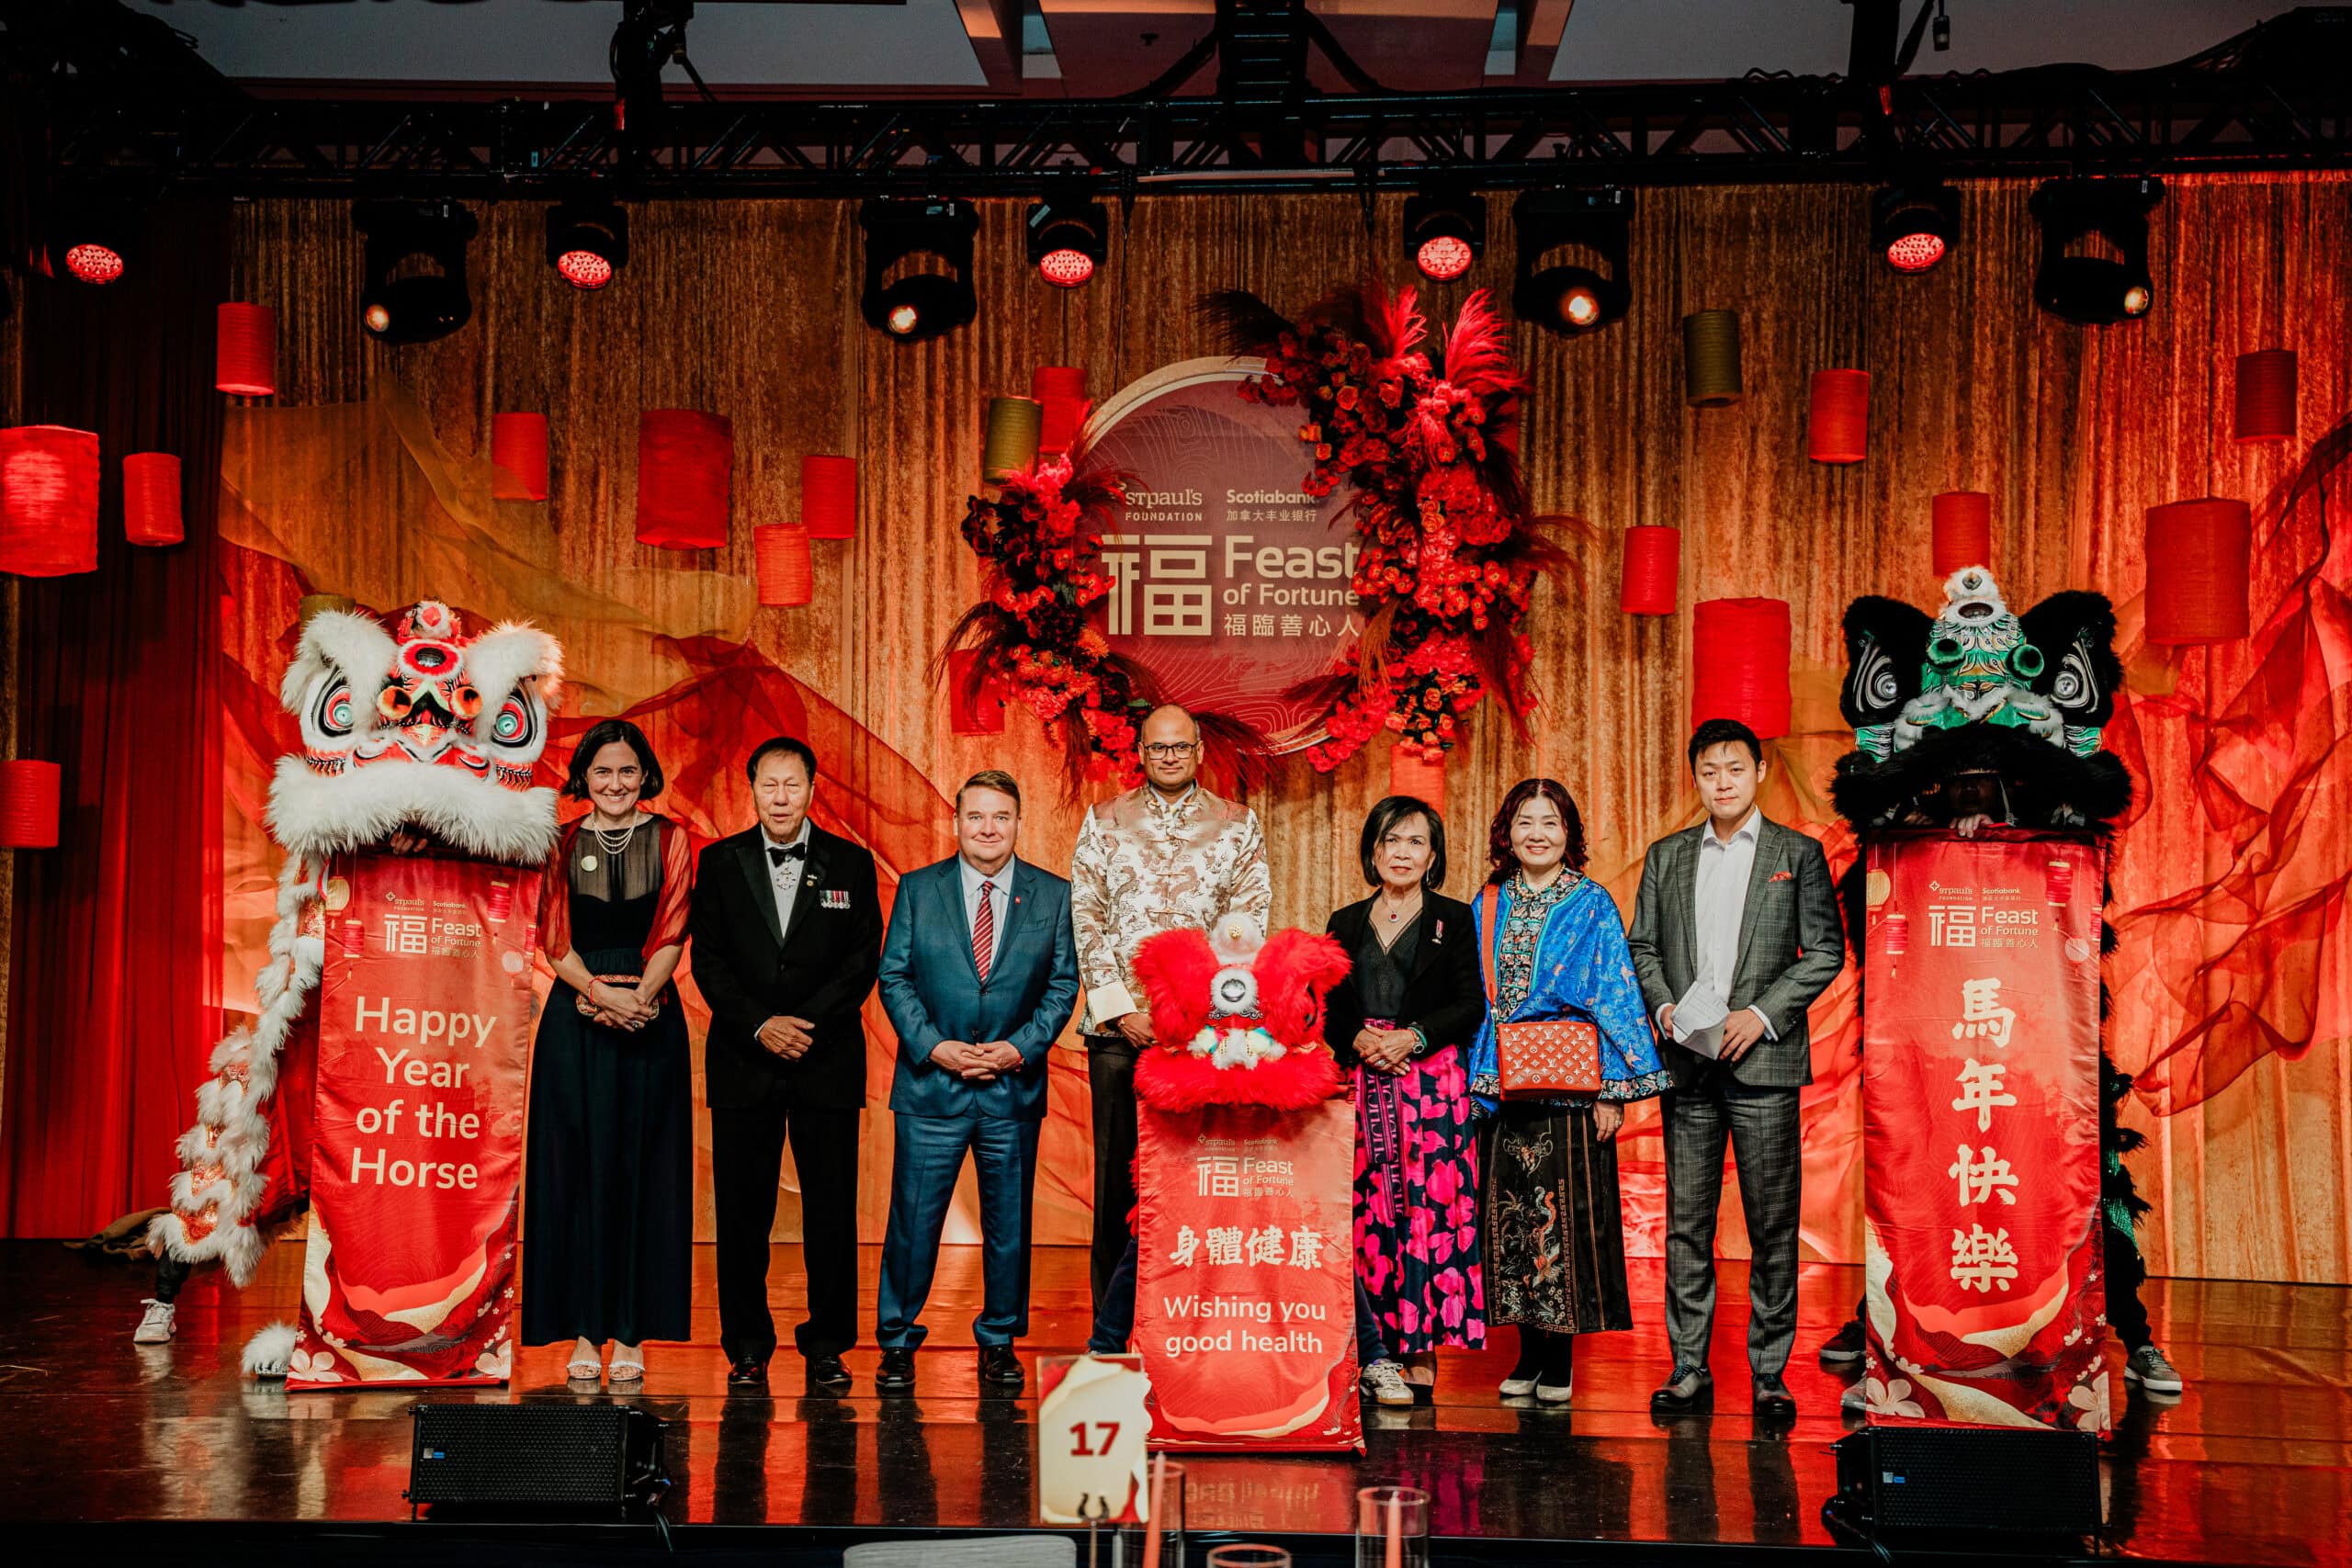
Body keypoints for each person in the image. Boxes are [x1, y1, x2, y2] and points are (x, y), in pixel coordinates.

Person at [1627, 717, 1845, 1418]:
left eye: (1734, 768)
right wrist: (1664, 1008)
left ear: (1759, 772)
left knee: (1772, 1226)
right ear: (1695, 778)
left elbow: (1825, 949)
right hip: (1689, 1065)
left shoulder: (1797, 853)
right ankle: (1688, 1366)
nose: (1721, 782)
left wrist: (1763, 1014)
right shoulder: (1667, 856)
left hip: (1765, 1064)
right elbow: (1643, 947)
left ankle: (1770, 1373)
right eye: (1709, 770)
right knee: (1686, 1225)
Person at [873, 770, 1080, 1396]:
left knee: (1008, 1225)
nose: (988, 829)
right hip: (930, 1087)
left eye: (1001, 817)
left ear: (1018, 823)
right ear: (957, 821)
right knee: (913, 1222)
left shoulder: (1054, 894)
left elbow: (1062, 984)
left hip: (1010, 1088)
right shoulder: (918, 888)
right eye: (976, 816)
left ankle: (998, 1339)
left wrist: (1018, 1050)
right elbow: (894, 976)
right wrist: (935, 1046)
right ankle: (897, 1340)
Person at [688, 736, 882, 1394]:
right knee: (742, 1215)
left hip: (826, 1060)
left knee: (832, 1212)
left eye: (791, 784)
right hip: (744, 1060)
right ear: (751, 789)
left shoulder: (851, 863)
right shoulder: (719, 862)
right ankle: (746, 1345)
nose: (780, 797)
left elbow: (862, 959)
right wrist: (760, 1025)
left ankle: (828, 1345)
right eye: (768, 784)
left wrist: (804, 1026)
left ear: (811, 789)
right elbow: (708, 960)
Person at [1468, 778, 1668, 1404]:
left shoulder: (1591, 902)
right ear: (1507, 832)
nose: (1537, 834)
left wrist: (1612, 1089)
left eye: (1549, 822)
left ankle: (1558, 1359)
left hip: (1572, 1085)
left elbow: (1615, 992)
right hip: (1502, 1081)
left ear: (1568, 834)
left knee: (1564, 1221)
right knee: (1510, 1221)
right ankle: (1526, 1353)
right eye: (1525, 821)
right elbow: (1472, 992)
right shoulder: (1488, 901)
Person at [1068, 704, 1271, 1314]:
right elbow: (1086, 915)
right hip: (1117, 1032)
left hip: (1201, 1036)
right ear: (1140, 752)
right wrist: (1120, 1010)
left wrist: (1196, 1015)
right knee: (1116, 1178)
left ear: (1200, 751)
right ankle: (1112, 1322)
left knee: (1193, 1176)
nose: (1170, 757)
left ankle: (1186, 1314)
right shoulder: (1104, 819)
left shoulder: (1237, 824)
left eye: (1180, 747)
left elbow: (1246, 926)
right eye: (1158, 748)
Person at [520, 720, 695, 1382]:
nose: (616, 783)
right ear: (583, 779)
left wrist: (639, 998)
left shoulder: (673, 839)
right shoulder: (559, 843)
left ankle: (630, 1332)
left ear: (644, 775)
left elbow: (673, 928)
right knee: (575, 1173)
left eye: (627, 771)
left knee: (642, 1172)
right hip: (575, 1020)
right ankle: (584, 1332)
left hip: (652, 1017)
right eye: (602, 772)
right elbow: (554, 940)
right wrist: (599, 993)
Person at [1323, 795, 1488, 1404]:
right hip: (1361, 1082)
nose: (1402, 852)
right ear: (1372, 851)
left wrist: (1412, 1038)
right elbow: (1327, 1006)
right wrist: (1358, 1038)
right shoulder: (1344, 922)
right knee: (1364, 1212)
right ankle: (1374, 1350)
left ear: (1433, 855)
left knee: (1428, 1213)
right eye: (1390, 840)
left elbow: (1471, 1004)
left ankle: (1421, 1349)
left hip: (1431, 1088)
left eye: (1415, 841)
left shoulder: (1454, 918)